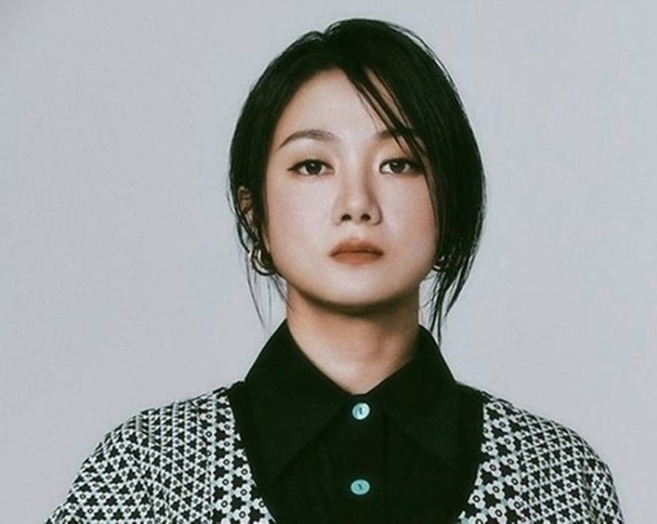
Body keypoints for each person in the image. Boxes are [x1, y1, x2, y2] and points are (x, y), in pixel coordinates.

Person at [47, 19, 623, 523]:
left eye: (399, 163)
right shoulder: (150, 469)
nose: (356, 203)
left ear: (451, 203)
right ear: (255, 215)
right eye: (312, 165)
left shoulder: (557, 475)